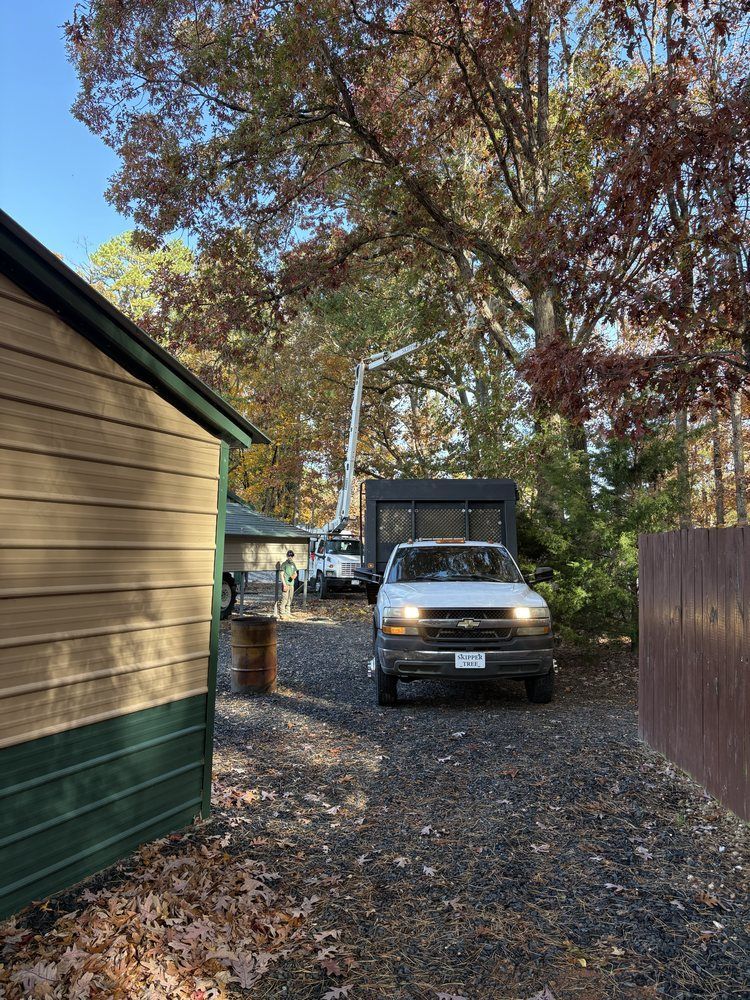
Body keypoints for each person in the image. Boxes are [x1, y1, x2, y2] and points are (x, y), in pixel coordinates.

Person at [279, 550, 298, 618]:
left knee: (290, 598)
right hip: (286, 584)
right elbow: (281, 575)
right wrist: (284, 584)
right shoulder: (284, 564)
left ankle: (288, 612)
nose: (290, 557)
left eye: (291, 556)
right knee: (284, 599)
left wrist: (291, 579)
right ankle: (282, 613)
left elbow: (295, 573)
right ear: (287, 556)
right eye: (289, 556)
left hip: (291, 584)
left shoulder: (293, 564)